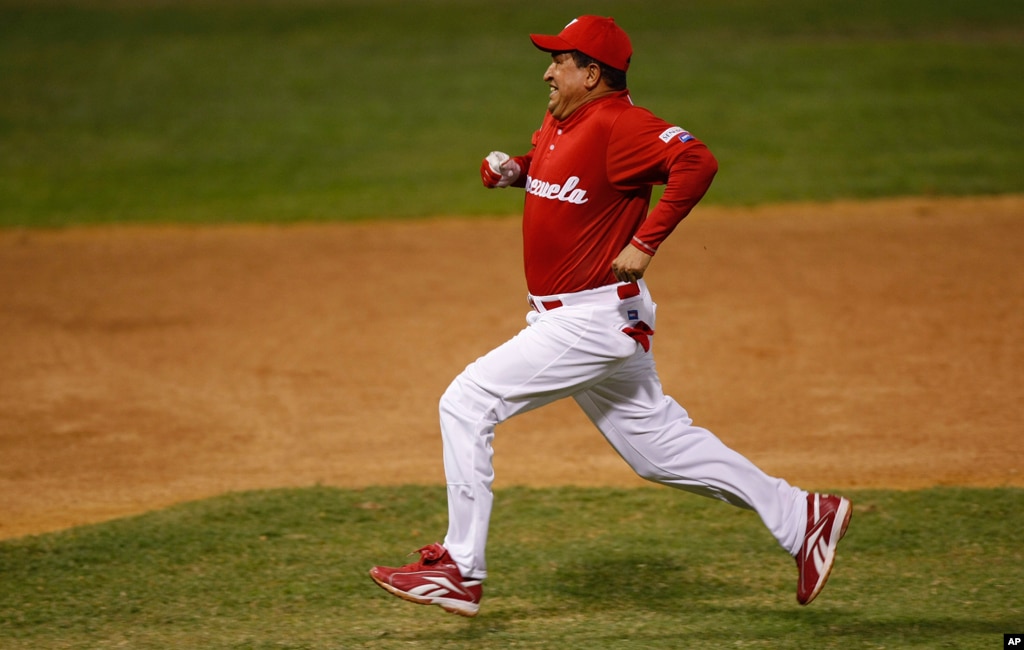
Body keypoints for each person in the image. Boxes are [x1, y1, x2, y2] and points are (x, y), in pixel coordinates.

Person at [369, 15, 851, 617]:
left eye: (560, 61)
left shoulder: (622, 124)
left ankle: (461, 570)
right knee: (660, 450)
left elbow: (697, 162)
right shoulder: (561, 118)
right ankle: (804, 515)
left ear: (592, 73)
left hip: (591, 319)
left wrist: (646, 242)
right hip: (576, 319)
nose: (547, 70)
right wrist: (517, 169)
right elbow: (563, 177)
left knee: (466, 402)